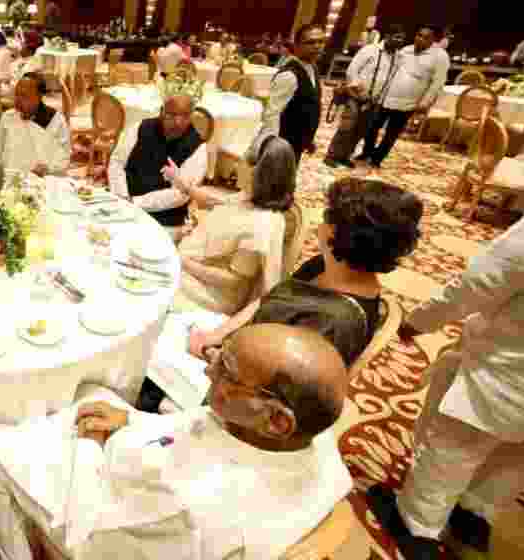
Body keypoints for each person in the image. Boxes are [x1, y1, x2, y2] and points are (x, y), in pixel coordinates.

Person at [0, 323, 352, 560]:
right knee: (94, 390)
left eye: (227, 371)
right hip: (150, 488)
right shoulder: (313, 437)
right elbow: (206, 424)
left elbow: (90, 536)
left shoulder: (188, 503)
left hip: (101, 525)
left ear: (277, 420)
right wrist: (132, 420)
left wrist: (91, 446)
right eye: (219, 357)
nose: (209, 370)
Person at [366, 207, 524, 560]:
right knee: (517, 454)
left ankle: (416, 525)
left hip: (513, 368)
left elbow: (486, 279)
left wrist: (421, 320)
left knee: (457, 446)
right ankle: (473, 514)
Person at [187, 178, 422, 367]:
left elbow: (274, 384)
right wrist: (214, 337)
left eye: (327, 216)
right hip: (239, 348)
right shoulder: (327, 263)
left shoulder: (336, 322)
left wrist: (211, 355)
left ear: (338, 234)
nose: (320, 222)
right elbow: (268, 301)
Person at [173, 135, 298, 314]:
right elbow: (219, 204)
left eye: (243, 162)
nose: (237, 166)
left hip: (209, 294)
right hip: (192, 269)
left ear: (259, 173)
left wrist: (184, 262)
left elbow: (233, 280)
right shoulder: (248, 196)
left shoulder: (260, 225)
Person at [108, 95, 207, 237]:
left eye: (184, 116)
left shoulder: (197, 147)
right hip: (123, 203)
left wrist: (135, 202)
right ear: (161, 112)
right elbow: (117, 162)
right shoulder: (141, 127)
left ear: (191, 116)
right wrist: (121, 196)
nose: (178, 122)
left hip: (165, 220)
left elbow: (180, 194)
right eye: (171, 115)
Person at [355, 25, 448, 169]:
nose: (420, 39)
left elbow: (438, 83)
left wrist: (425, 102)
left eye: (426, 37)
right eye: (419, 35)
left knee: (391, 134)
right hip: (385, 98)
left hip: (408, 103)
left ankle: (377, 159)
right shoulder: (405, 50)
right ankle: (367, 152)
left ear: (433, 40)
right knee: (371, 127)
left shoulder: (440, 57)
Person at [324, 25, 406, 169]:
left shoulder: (398, 57)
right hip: (356, 96)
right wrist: (359, 92)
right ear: (387, 37)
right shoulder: (370, 50)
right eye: (396, 37)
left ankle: (344, 156)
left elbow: (390, 79)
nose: (399, 41)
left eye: (402, 39)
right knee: (347, 127)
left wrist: (379, 99)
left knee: (361, 130)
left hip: (375, 101)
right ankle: (332, 155)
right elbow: (352, 71)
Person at [261, 23, 325, 164]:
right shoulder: (289, 75)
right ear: (296, 45)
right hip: (282, 145)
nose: (317, 46)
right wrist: (272, 147)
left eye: (321, 41)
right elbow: (271, 114)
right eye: (310, 42)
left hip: (297, 144)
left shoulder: (313, 68)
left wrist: (308, 139)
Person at [0, 72, 71, 177]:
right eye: (16, 94)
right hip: (12, 181)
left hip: (43, 183)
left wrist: (47, 169)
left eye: (23, 95)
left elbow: (64, 160)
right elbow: (0, 151)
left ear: (39, 96)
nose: (17, 100)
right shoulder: (8, 117)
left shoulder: (55, 121)